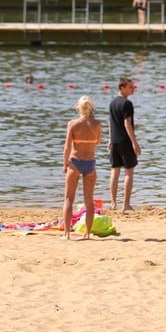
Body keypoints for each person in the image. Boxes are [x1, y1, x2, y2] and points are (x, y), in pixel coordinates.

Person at [62, 95, 102, 240]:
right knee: (89, 201)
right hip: (90, 163)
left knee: (68, 199)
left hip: (75, 162)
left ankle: (66, 234)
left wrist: (65, 163)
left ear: (78, 108)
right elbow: (98, 142)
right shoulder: (97, 124)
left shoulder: (73, 124)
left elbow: (67, 147)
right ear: (91, 108)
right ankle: (87, 234)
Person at [108, 77, 141, 211]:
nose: (132, 89)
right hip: (125, 141)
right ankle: (126, 204)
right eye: (130, 87)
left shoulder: (112, 102)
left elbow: (110, 123)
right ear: (122, 88)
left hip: (115, 141)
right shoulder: (127, 103)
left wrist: (110, 140)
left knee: (115, 172)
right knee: (129, 172)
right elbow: (127, 123)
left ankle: (113, 203)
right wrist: (135, 143)